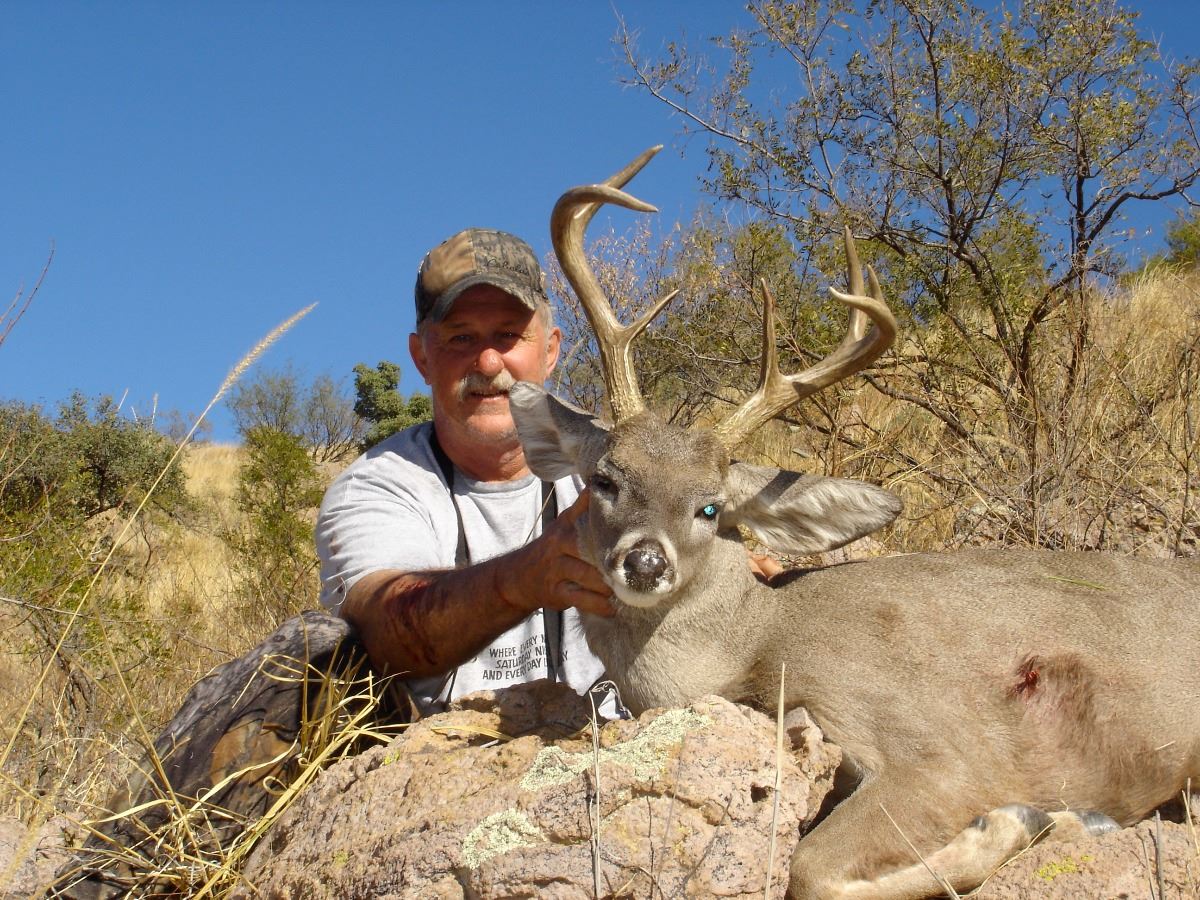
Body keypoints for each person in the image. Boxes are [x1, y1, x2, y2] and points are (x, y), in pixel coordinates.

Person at [315, 227, 616, 715]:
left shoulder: (613, 467)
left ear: (550, 350)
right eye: (461, 337)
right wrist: (524, 579)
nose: (489, 362)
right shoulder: (376, 486)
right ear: (422, 358)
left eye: (509, 335)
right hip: (431, 753)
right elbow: (383, 629)